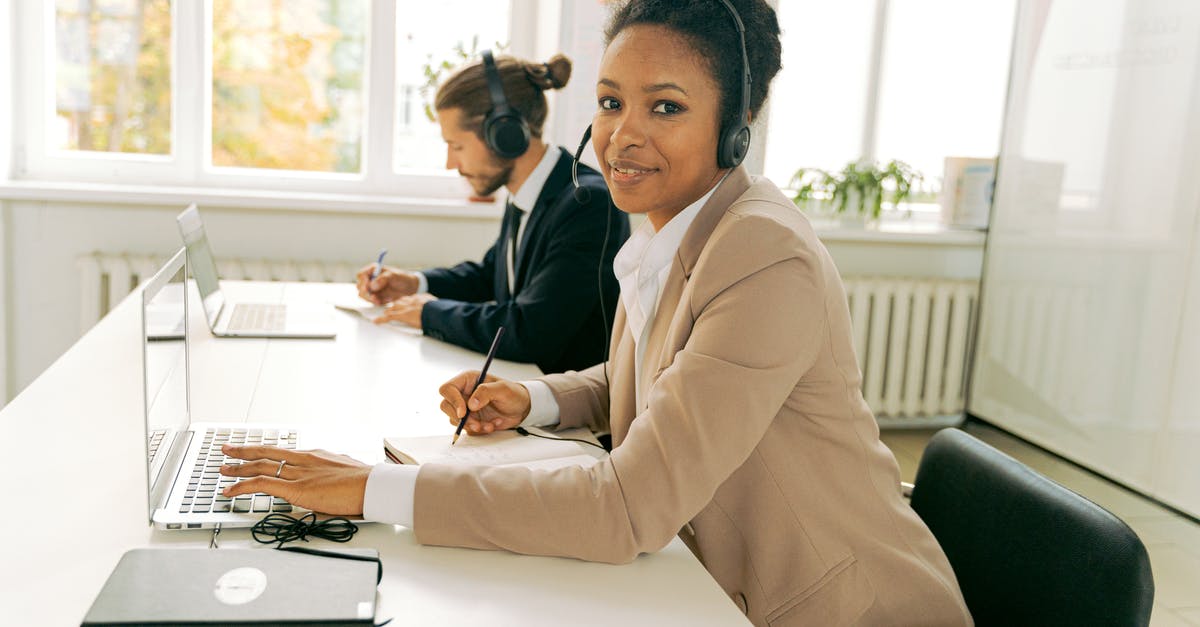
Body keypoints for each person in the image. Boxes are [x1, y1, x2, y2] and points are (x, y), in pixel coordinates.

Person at [223, 1, 972, 624]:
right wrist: (538, 397)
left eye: (667, 106)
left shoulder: (762, 254)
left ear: (737, 122)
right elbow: (648, 371)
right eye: (612, 102)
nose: (622, 135)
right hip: (715, 579)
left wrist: (368, 489)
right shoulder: (681, 227)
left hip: (837, 608)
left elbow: (626, 506)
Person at [357, 52, 630, 374]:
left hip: (567, 413)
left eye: (456, 146)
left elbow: (531, 330)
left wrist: (429, 313)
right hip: (522, 387)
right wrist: (416, 283)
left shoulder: (587, 204)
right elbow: (491, 275)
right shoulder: (531, 192)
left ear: (504, 135)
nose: (451, 164)